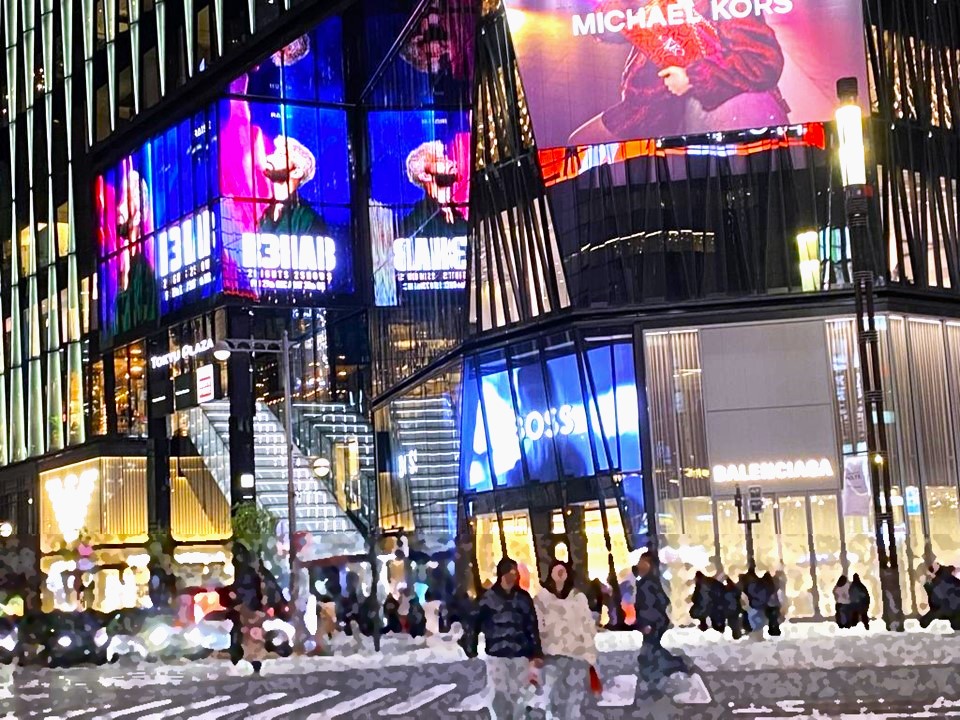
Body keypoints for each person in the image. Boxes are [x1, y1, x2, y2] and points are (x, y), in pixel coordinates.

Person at [570, 0, 789, 144]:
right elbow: (613, 27)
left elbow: (763, 60)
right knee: (577, 144)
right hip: (650, 109)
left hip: (719, 107)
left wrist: (691, 78)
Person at [465, 558, 543, 720]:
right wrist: (470, 645)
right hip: (497, 654)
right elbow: (474, 623)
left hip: (520, 652)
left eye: (515, 573)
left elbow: (531, 625)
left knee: (519, 692)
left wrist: (536, 652)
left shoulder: (523, 598)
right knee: (499, 693)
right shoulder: (488, 598)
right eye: (509, 572)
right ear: (502, 574)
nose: (512, 576)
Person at [534, 561, 599, 720]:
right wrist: (537, 652)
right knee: (551, 697)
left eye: (563, 571)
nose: (560, 575)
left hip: (576, 655)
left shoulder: (578, 598)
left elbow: (587, 626)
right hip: (552, 655)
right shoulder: (542, 599)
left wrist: (590, 655)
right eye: (557, 571)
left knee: (574, 699)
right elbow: (537, 625)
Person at [257, 136, 328, 237]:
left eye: (281, 155)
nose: (269, 158)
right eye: (275, 153)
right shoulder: (262, 210)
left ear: (296, 172)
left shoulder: (307, 219)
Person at [634, 551, 687, 684]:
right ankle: (673, 665)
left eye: (642, 563)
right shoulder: (650, 581)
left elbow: (648, 605)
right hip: (656, 622)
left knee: (649, 651)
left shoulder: (647, 583)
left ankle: (662, 671)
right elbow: (663, 600)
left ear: (649, 565)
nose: (638, 566)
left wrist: (647, 623)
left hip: (652, 623)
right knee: (652, 648)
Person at [399, 140, 469, 239]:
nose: (451, 162)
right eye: (440, 160)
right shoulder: (418, 221)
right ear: (425, 176)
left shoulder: (456, 211)